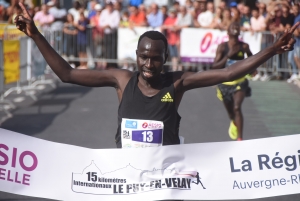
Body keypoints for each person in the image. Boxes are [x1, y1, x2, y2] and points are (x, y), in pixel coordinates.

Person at [15, 1, 298, 149]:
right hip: (129, 179)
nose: (149, 64)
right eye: (144, 57)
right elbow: (67, 73)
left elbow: (227, 72)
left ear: (165, 58)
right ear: (136, 55)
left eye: (156, 58)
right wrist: (36, 34)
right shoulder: (122, 79)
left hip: (166, 179)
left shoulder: (177, 82)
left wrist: (272, 50)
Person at [211, 22, 253, 141]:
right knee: (231, 112)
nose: (235, 27)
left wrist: (253, 69)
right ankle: (233, 121)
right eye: (232, 26)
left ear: (239, 32)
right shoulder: (222, 47)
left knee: (236, 107)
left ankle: (240, 138)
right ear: (228, 32)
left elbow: (252, 59)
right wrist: (228, 56)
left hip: (240, 82)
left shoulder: (244, 46)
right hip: (225, 84)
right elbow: (215, 66)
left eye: (237, 26)